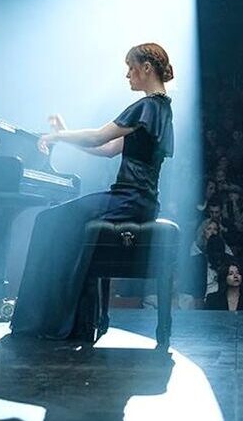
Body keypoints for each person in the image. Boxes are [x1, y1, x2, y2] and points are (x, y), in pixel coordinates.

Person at [11, 43, 175, 339]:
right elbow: (108, 149)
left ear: (146, 68)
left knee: (47, 220)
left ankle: (45, 320)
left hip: (129, 198)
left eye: (131, 68)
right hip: (142, 202)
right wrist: (66, 135)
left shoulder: (146, 106)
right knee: (57, 221)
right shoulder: (162, 109)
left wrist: (59, 135)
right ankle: (70, 319)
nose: (127, 75)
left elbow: (99, 136)